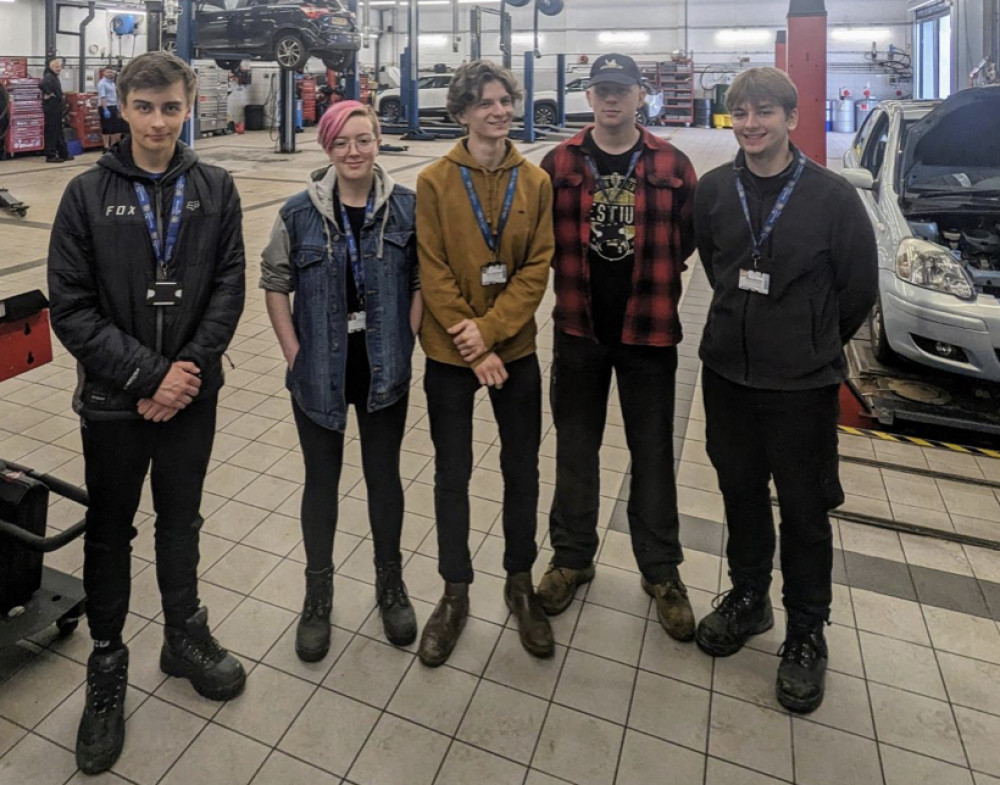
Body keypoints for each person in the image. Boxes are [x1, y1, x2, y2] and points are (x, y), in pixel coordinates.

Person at [47, 51, 247, 775]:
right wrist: (148, 376)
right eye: (145, 108)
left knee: (181, 519)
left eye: (170, 107)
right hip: (114, 402)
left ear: (189, 105)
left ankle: (183, 633)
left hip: (191, 398)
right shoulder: (85, 197)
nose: (158, 122)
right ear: (122, 110)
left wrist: (183, 376)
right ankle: (107, 662)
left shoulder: (216, 189)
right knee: (109, 529)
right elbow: (70, 306)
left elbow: (229, 284)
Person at [692, 67, 877, 713]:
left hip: (800, 386)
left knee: (803, 510)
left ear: (792, 117)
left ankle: (806, 630)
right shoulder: (715, 190)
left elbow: (857, 288)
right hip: (728, 377)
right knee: (739, 492)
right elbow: (714, 257)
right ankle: (749, 598)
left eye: (763, 112)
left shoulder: (831, 198)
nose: (750, 124)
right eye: (739, 113)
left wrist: (809, 340)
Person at [537, 53, 699, 641]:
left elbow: (686, 236)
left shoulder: (672, 163)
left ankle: (662, 572)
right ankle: (571, 559)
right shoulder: (559, 162)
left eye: (621, 91)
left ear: (640, 97)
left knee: (653, 453)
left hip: (648, 335)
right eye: (601, 90)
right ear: (589, 97)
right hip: (579, 330)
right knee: (575, 451)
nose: (611, 100)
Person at [261, 100, 422, 660]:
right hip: (319, 374)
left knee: (384, 478)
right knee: (321, 483)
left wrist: (407, 338)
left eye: (364, 140)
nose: (353, 152)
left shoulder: (407, 209)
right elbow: (274, 282)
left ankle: (390, 583)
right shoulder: (297, 213)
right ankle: (317, 594)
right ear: (326, 149)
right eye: (341, 143)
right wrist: (293, 353)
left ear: (379, 142)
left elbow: (423, 279)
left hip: (384, 369)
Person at [416, 60, 555, 667]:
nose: (499, 110)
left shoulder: (536, 181)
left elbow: (536, 269)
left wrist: (494, 335)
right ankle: (454, 590)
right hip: (450, 354)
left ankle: (520, 581)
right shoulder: (434, 181)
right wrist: (471, 344)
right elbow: (433, 268)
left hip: (514, 351)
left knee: (521, 468)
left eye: (505, 100)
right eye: (485, 102)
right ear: (463, 112)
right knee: (452, 473)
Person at [40, 57, 71, 163]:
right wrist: (49, 93)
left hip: (56, 108)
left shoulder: (54, 76)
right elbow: (41, 84)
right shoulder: (49, 76)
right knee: (52, 132)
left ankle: (63, 153)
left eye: (60, 67)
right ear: (51, 67)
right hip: (51, 109)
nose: (59, 69)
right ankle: (50, 155)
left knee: (58, 131)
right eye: (57, 67)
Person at [97, 67, 124, 151]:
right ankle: (106, 146)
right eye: (108, 72)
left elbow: (115, 96)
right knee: (107, 128)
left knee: (115, 128)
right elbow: (103, 97)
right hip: (105, 107)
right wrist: (105, 109)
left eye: (111, 72)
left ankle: (113, 146)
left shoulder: (112, 83)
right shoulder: (102, 84)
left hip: (113, 106)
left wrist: (117, 106)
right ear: (103, 73)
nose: (110, 73)